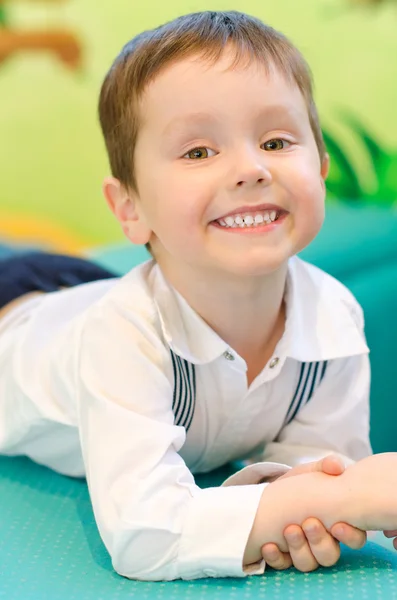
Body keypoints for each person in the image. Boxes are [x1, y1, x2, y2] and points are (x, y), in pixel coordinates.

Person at [1, 10, 396, 582]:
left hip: (83, 286)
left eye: (277, 140)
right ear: (130, 209)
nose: (251, 168)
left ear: (322, 167)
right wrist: (343, 499)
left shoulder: (332, 314)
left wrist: (310, 507)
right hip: (19, 321)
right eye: (198, 152)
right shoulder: (124, 336)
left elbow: (315, 471)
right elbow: (145, 536)